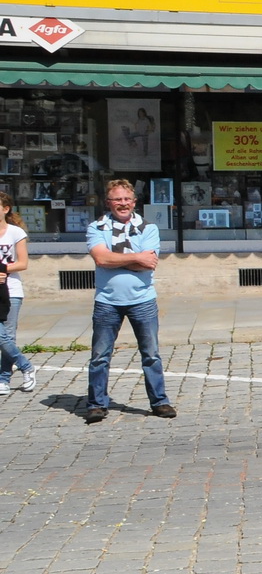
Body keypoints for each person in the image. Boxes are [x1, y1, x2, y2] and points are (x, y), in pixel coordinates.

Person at [86, 179, 172, 423]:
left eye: (126, 199)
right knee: (100, 356)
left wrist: (115, 259)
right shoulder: (96, 227)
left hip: (142, 300)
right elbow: (101, 259)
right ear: (108, 202)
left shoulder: (148, 228)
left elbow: (149, 263)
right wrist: (135, 258)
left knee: (151, 354)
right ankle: (96, 404)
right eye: (117, 199)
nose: (122, 203)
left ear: (134, 202)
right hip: (107, 300)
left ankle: (160, 402)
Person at [0, 191, 36, 398]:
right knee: (1, 336)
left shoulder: (15, 233)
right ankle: (26, 366)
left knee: (8, 335)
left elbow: (23, 263)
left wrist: (3, 270)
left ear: (6, 209)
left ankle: (3, 379)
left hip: (11, 289)